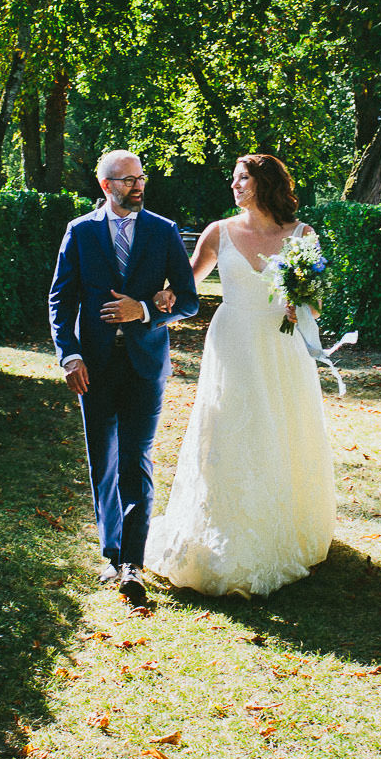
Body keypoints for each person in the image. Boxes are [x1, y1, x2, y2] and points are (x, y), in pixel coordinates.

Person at [144, 153, 336, 598]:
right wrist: (164, 296)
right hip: (232, 342)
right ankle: (222, 526)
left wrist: (301, 304)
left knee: (282, 428)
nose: (234, 185)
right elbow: (187, 283)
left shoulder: (302, 235)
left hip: (281, 345)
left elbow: (315, 301)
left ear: (264, 183)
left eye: (242, 179)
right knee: (229, 427)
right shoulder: (218, 231)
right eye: (233, 179)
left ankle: (281, 527)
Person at [48, 150, 200, 610]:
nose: (138, 186)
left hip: (144, 364)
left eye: (141, 178)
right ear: (105, 185)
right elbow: (60, 301)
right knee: (104, 461)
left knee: (136, 458)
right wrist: (69, 356)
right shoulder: (79, 232)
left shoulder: (163, 230)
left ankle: (132, 563)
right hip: (93, 366)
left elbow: (190, 300)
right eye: (127, 180)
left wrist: (147, 311)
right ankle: (110, 554)